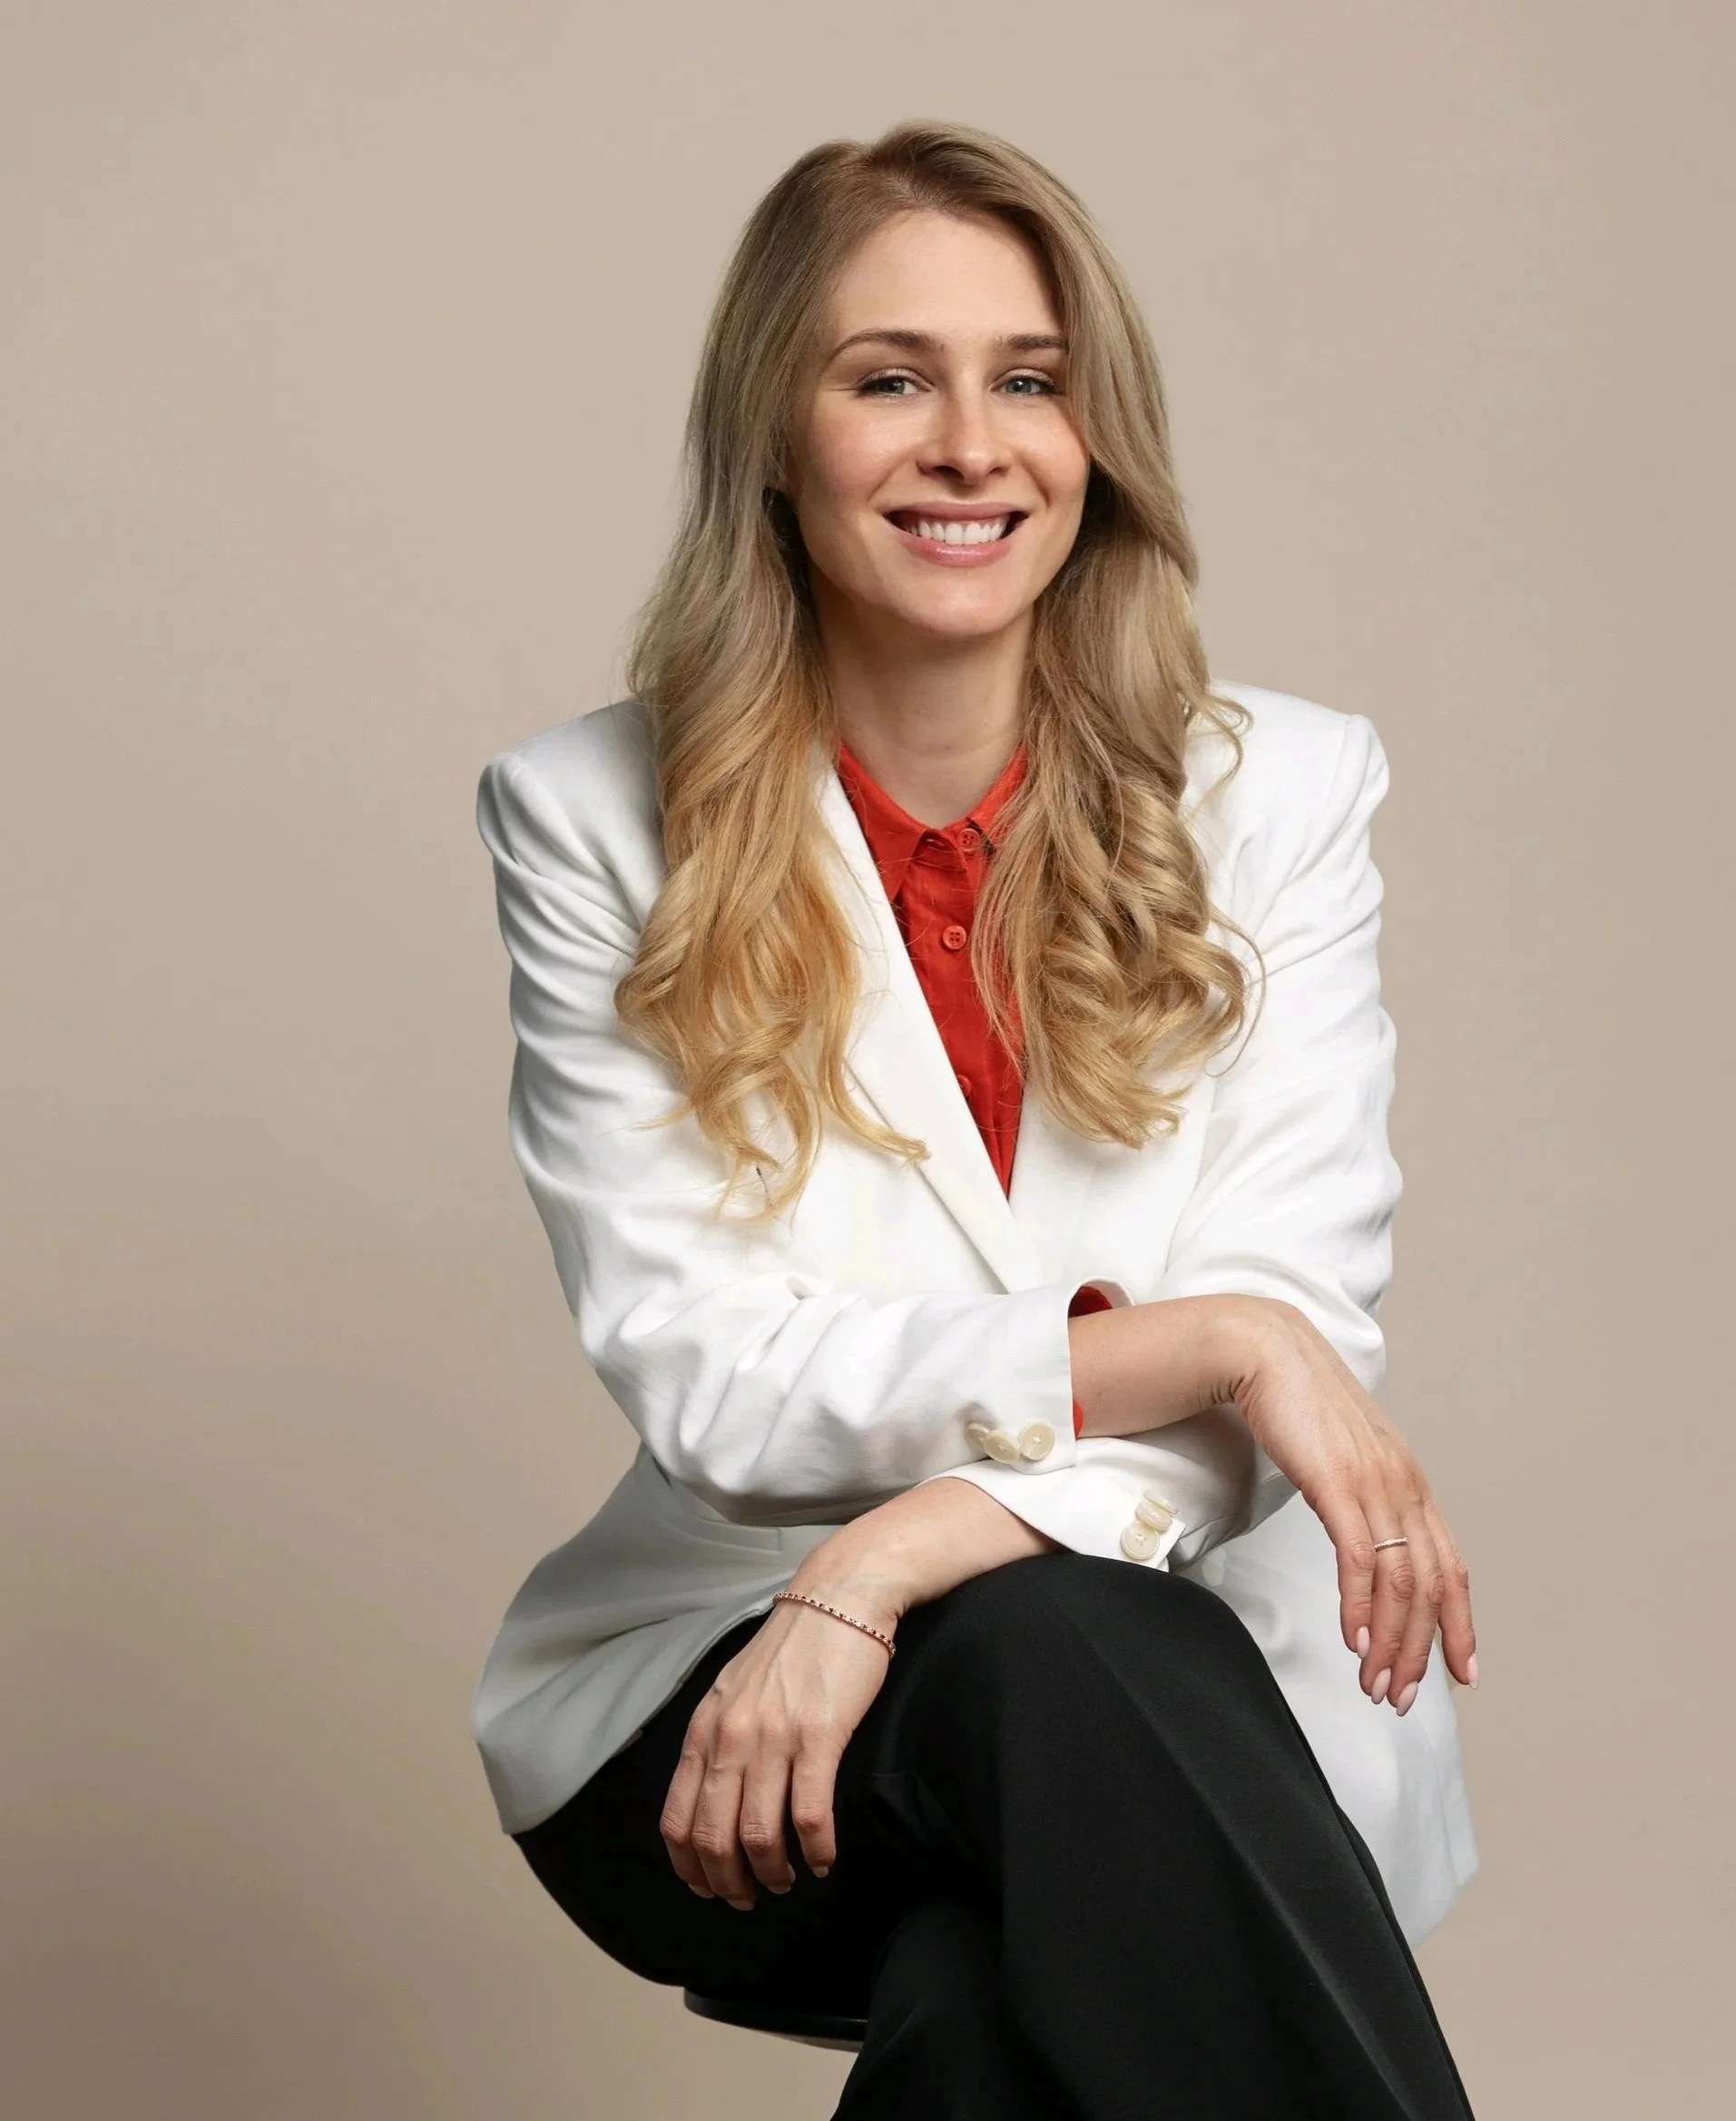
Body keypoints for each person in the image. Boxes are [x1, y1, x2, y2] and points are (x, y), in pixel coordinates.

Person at [470, 119, 1482, 2118]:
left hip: (1153, 1687)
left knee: (988, 2015)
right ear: (774, 432)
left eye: (1026, 379)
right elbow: (719, 1382)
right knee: (1058, 1657)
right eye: (885, 379)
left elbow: (1296, 1329)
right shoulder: (589, 816)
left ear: (1094, 440)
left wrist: (901, 1553)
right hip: (730, 1717)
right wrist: (1196, 1344)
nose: (968, 444)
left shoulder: (1278, 793)